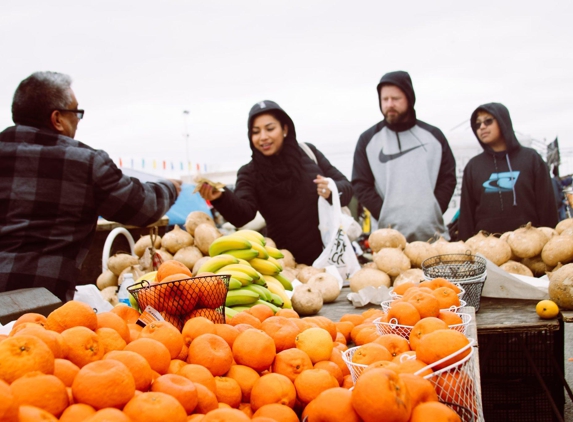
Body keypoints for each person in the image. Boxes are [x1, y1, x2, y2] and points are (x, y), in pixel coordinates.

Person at [0, 71, 181, 302]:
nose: (78, 120)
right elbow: (141, 206)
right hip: (40, 304)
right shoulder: (83, 162)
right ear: (57, 119)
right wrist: (170, 188)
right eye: (77, 112)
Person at [198, 100, 353, 265]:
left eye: (270, 129)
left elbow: (347, 188)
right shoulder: (249, 173)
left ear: (285, 129)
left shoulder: (308, 153)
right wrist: (220, 198)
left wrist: (332, 190)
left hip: (331, 258)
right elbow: (243, 215)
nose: (263, 137)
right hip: (284, 264)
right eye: (256, 132)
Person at [351, 70, 456, 242]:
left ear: (409, 98)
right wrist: (385, 213)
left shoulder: (433, 136)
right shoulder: (368, 140)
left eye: (396, 98)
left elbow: (448, 178)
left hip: (434, 239)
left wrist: (433, 209)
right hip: (388, 242)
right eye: (385, 99)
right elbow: (361, 184)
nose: (389, 104)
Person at [458, 103, 558, 240]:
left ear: (503, 121)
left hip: (529, 247)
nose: (482, 127)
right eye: (477, 124)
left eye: (488, 121)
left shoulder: (531, 159)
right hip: (486, 249)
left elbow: (547, 206)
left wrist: (550, 240)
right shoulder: (473, 166)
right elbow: (466, 215)